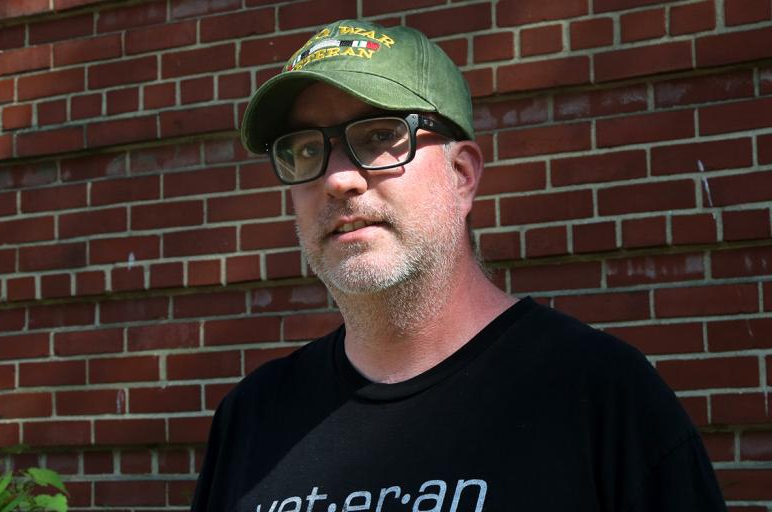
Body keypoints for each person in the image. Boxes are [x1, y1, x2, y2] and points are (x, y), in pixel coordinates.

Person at [191, 19, 726, 512]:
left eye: (379, 136)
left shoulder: (599, 395)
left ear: (462, 176)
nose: (337, 179)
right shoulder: (250, 418)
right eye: (306, 150)